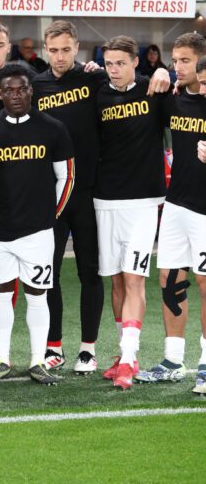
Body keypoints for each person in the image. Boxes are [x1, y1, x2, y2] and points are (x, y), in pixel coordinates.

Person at [31, 20, 170, 373]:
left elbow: (182, 97)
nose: (60, 56)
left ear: (77, 48)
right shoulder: (36, 85)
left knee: (91, 272)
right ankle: (53, 346)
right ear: (46, 50)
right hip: (54, 193)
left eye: (66, 49)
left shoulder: (93, 79)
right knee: (49, 273)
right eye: (54, 50)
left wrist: (166, 71)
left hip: (92, 190)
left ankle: (88, 349)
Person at [0, 64, 74, 386]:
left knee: (37, 296)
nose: (15, 95)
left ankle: (37, 361)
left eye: (21, 89)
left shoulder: (53, 128)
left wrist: (52, 216)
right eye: (9, 90)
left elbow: (67, 176)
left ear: (31, 91)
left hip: (38, 231)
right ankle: (2, 360)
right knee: (1, 295)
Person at [94, 35, 170, 390]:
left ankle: (128, 359)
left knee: (134, 277)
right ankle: (125, 353)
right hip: (105, 199)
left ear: (136, 62)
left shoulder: (153, 90)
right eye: (109, 63)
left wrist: (168, 72)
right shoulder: (97, 92)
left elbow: (189, 95)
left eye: (121, 63)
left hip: (142, 201)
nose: (114, 69)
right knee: (115, 280)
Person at [134, 35, 206, 392]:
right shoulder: (173, 100)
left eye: (185, 60)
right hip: (177, 203)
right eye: (175, 59)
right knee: (170, 280)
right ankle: (173, 360)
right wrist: (160, 71)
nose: (178, 66)